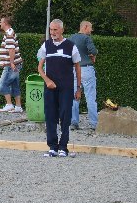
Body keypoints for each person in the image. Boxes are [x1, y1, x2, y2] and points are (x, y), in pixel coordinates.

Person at [37, 19, 81, 157]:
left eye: (55, 30)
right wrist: (47, 80)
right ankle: (52, 147)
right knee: (50, 116)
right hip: (50, 87)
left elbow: (78, 68)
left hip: (66, 87)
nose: (52, 32)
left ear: (62, 30)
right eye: (51, 30)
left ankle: (63, 147)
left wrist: (79, 88)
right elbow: (39, 67)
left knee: (65, 116)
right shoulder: (46, 45)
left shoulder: (71, 46)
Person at [69, 21, 98, 131]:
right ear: (85, 27)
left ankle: (74, 122)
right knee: (90, 97)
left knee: (74, 97)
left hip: (74, 70)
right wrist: (92, 55)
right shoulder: (86, 38)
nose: (91, 30)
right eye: (90, 28)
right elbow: (93, 51)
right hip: (86, 69)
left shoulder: (70, 38)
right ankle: (94, 123)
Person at [0, 17, 23, 112]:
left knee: (2, 84)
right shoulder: (11, 32)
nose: (0, 23)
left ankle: (9, 104)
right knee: (15, 85)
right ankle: (18, 106)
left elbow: (11, 49)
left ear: (5, 23)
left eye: (1, 22)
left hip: (10, 65)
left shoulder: (9, 34)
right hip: (16, 64)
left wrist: (11, 63)